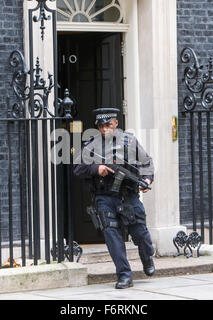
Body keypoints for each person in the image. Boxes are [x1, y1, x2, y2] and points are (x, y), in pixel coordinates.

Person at [73, 108, 155, 289]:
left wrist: (147, 179)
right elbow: (78, 168)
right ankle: (124, 275)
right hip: (105, 198)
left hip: (129, 197)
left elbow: (146, 162)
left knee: (140, 234)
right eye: (101, 126)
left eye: (108, 125)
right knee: (113, 238)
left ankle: (147, 256)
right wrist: (97, 169)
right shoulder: (91, 145)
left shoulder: (130, 141)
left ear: (116, 123)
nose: (104, 129)